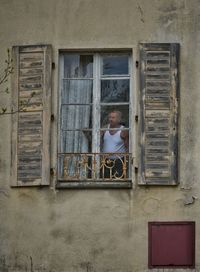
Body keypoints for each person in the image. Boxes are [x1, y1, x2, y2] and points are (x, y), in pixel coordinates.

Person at [101, 111, 129, 179]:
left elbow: (127, 146)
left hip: (119, 161)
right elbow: (95, 139)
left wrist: (127, 161)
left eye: (113, 117)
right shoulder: (105, 128)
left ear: (119, 119)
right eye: (110, 117)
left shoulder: (123, 130)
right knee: (105, 180)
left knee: (119, 180)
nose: (110, 119)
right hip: (106, 160)